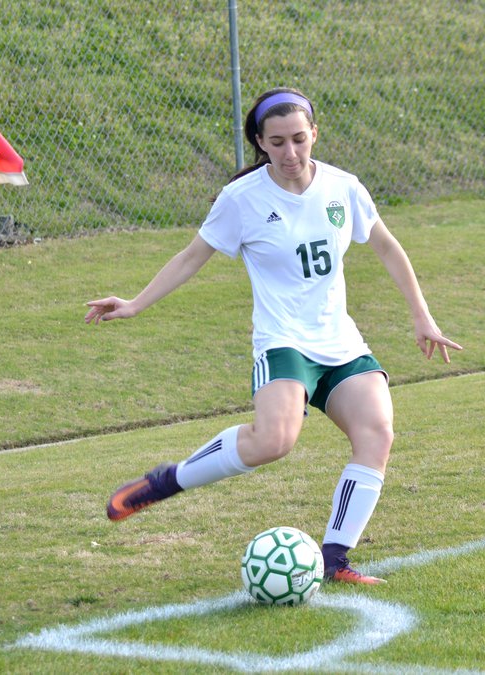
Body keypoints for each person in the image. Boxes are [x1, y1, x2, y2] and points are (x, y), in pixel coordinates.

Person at [85, 87, 462, 585]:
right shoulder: (241, 200)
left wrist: (422, 317)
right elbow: (191, 256)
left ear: (314, 134)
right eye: (278, 142)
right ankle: (167, 480)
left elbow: (388, 248)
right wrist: (135, 303)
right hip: (283, 342)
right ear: (261, 142)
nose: (290, 153)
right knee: (274, 441)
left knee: (377, 433)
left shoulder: (343, 187)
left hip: (340, 342)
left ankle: (335, 560)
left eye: (299, 139)